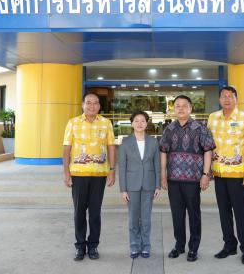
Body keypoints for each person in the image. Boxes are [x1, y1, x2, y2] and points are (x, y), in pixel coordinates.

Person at [159, 95, 215, 262]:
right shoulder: (169, 129)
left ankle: (193, 248)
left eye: (184, 105)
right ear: (173, 109)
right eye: (177, 105)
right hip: (173, 179)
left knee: (193, 214)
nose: (181, 108)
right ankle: (179, 245)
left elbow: (208, 151)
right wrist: (163, 175)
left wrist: (205, 174)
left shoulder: (200, 128)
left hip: (193, 180)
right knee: (177, 214)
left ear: (190, 108)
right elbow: (163, 152)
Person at [207, 85, 244, 265]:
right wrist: (207, 169)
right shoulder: (213, 118)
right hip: (219, 173)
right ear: (219, 99)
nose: (227, 99)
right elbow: (208, 145)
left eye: (231, 96)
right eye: (224, 96)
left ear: (236, 99)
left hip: (238, 174)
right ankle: (229, 245)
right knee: (224, 212)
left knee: (242, 213)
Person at [63, 92, 116, 261]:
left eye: (95, 103)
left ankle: (93, 246)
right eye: (88, 102)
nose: (92, 106)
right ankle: (80, 246)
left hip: (99, 174)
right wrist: (66, 172)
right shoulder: (73, 123)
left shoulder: (106, 123)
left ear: (99, 106)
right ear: (82, 105)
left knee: (95, 212)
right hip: (78, 174)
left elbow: (111, 147)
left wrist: (112, 170)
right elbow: (66, 148)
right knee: (79, 212)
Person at [118, 111, 160, 258]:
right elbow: (122, 167)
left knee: (146, 218)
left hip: (149, 184)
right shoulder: (125, 142)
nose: (140, 123)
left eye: (143, 121)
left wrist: (157, 185)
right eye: (136, 121)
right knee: (133, 218)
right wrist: (123, 189)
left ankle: (146, 246)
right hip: (131, 186)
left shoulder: (153, 142)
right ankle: (134, 246)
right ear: (132, 124)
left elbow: (157, 165)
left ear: (147, 124)